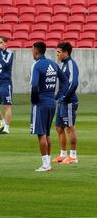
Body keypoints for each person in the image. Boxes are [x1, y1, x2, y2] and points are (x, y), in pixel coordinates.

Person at [29, 42, 60, 172]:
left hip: (40, 102)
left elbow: (35, 84)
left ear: (36, 51)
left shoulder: (36, 65)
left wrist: (34, 98)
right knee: (47, 133)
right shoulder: (53, 64)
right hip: (51, 102)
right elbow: (64, 79)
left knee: (41, 134)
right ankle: (48, 163)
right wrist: (58, 95)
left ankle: (45, 164)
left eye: (32, 50)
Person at [53, 42, 78, 165]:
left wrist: (65, 97)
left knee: (69, 128)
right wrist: (56, 97)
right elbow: (62, 85)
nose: (57, 55)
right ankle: (63, 155)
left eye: (59, 52)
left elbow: (74, 83)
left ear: (66, 52)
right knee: (58, 127)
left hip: (69, 101)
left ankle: (73, 156)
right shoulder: (62, 65)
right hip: (62, 101)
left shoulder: (71, 64)